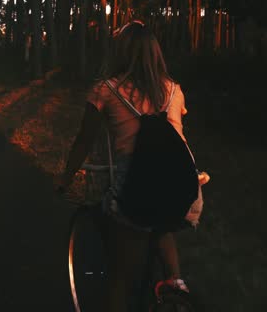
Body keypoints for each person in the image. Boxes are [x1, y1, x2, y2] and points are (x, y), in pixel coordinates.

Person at [55, 19, 190, 311]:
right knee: (164, 219)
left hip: (137, 190)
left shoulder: (106, 90)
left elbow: (84, 140)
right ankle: (176, 284)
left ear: (120, 52)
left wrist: (65, 178)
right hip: (181, 186)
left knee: (120, 279)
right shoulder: (174, 90)